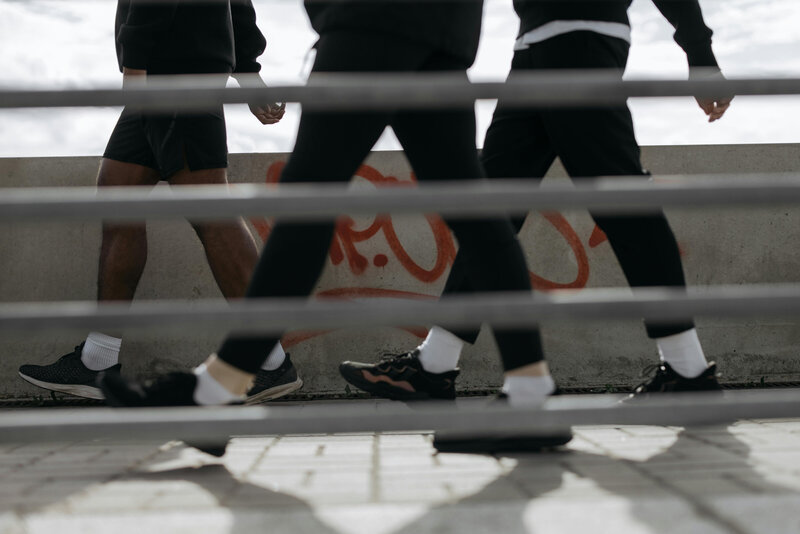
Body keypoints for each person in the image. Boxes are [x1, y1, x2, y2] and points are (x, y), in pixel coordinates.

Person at [97, 0, 574, 456]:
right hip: (442, 26)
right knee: (472, 207)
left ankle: (216, 389)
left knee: (310, 205)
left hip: (368, 24)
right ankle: (530, 394)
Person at [339, 0, 733, 449]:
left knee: (621, 200)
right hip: (534, 47)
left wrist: (700, 50)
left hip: (579, 39)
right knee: (491, 207)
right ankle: (433, 366)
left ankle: (689, 373)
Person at [18, 0, 300, 405]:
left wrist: (136, 70)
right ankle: (97, 360)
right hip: (173, 71)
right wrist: (249, 73)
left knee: (211, 214)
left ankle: (267, 361)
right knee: (118, 199)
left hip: (172, 77)